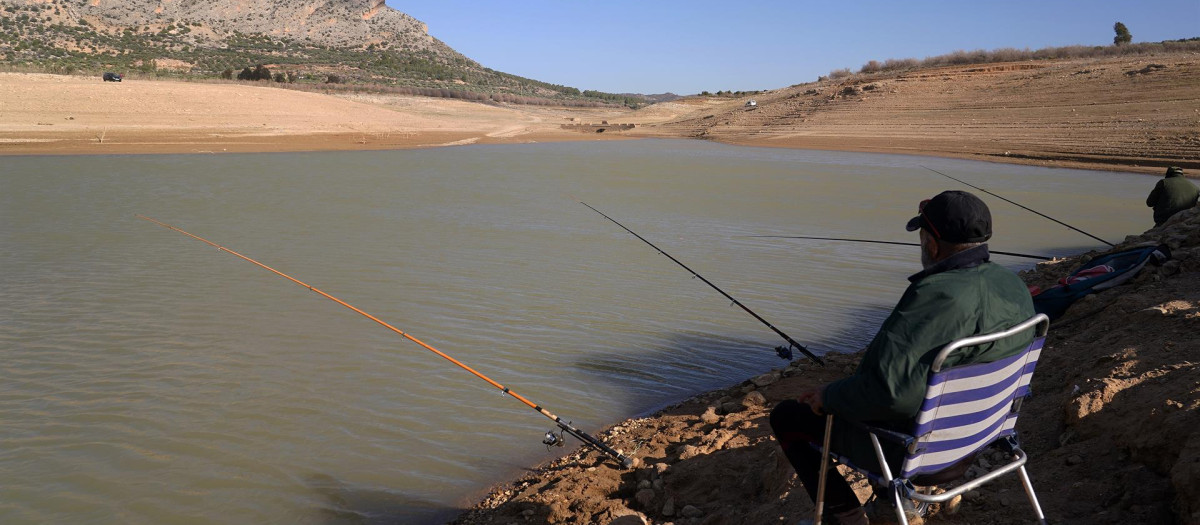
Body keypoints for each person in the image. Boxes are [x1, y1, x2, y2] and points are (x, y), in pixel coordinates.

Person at [769, 190, 1035, 525]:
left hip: (924, 459)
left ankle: (847, 518)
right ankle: (895, 504)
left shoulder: (932, 295)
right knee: (898, 399)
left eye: (922, 237)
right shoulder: (1012, 284)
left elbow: (890, 396)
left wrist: (829, 396)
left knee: (790, 417)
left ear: (932, 244)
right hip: (978, 438)